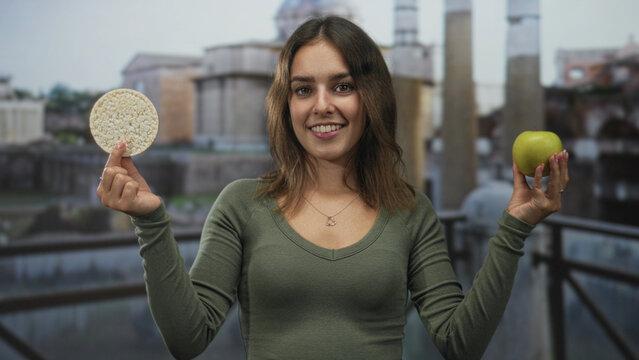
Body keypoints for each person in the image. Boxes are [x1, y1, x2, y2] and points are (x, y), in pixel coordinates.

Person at [97, 16, 570, 360]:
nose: (321, 105)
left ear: (371, 98)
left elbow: (459, 343)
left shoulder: (411, 211)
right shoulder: (241, 205)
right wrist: (150, 222)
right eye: (303, 89)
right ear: (286, 105)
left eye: (341, 86)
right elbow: (187, 339)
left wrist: (515, 228)